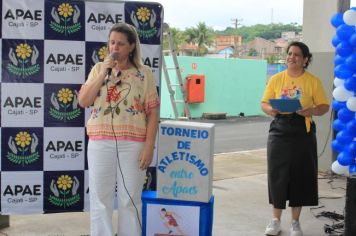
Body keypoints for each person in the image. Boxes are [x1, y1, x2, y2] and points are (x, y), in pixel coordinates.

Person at [78, 23, 160, 236]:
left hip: (133, 144)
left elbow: (152, 112)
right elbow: (84, 101)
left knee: (130, 199)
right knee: (100, 199)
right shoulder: (98, 69)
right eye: (112, 42)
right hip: (100, 142)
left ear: (132, 46)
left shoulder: (144, 73)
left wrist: (149, 146)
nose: (114, 47)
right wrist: (104, 70)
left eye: (121, 44)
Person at [261, 41, 330, 236]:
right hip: (279, 129)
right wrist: (271, 110)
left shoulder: (313, 81)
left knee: (300, 175)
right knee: (278, 175)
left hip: (303, 131)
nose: (292, 57)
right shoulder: (276, 79)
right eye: (289, 53)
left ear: (305, 59)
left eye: (297, 55)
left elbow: (324, 106)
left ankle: (295, 222)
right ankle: (275, 220)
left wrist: (311, 110)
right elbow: (264, 103)